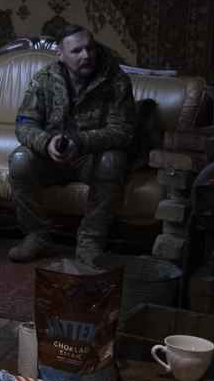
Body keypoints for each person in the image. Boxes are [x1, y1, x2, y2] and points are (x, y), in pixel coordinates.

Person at [8, 23, 137, 264]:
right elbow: (24, 125)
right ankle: (37, 236)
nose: (86, 55)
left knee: (114, 159)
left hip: (91, 157)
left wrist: (81, 142)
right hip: (53, 155)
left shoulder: (116, 80)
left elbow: (123, 132)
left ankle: (90, 241)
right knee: (19, 160)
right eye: (77, 51)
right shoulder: (44, 79)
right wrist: (47, 143)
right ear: (60, 54)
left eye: (90, 48)